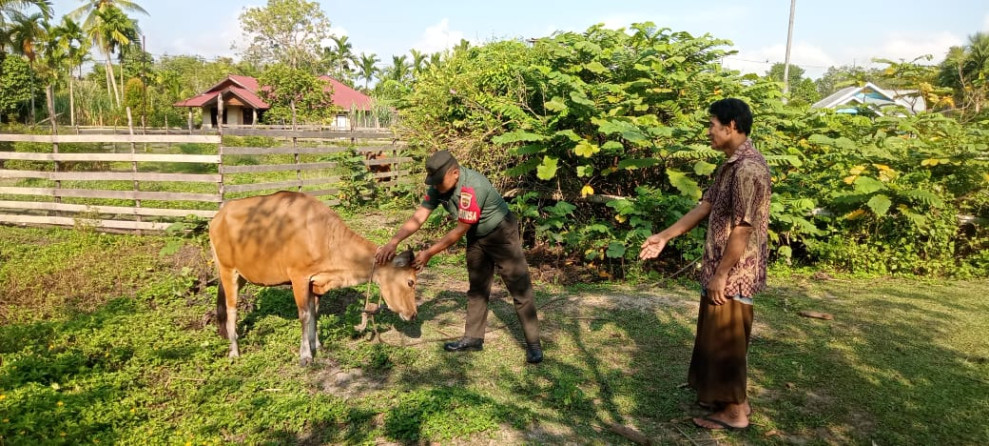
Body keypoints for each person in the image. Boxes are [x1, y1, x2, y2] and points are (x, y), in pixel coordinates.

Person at [639, 98, 771, 430]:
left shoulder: (747, 169)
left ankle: (735, 412)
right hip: (719, 266)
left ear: (732, 127)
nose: (708, 131)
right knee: (715, 336)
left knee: (727, 339)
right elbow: (706, 206)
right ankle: (726, 399)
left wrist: (722, 275)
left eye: (712, 125)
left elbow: (743, 227)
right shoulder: (729, 164)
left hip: (735, 272)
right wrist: (664, 236)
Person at [375, 150, 543, 364]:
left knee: (519, 286)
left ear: (455, 173)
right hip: (476, 235)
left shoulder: (472, 187)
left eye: (438, 182)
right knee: (477, 288)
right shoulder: (439, 185)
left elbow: (460, 229)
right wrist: (393, 241)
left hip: (501, 233)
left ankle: (533, 344)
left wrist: (429, 253)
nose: (435, 187)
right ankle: (473, 338)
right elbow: (419, 217)